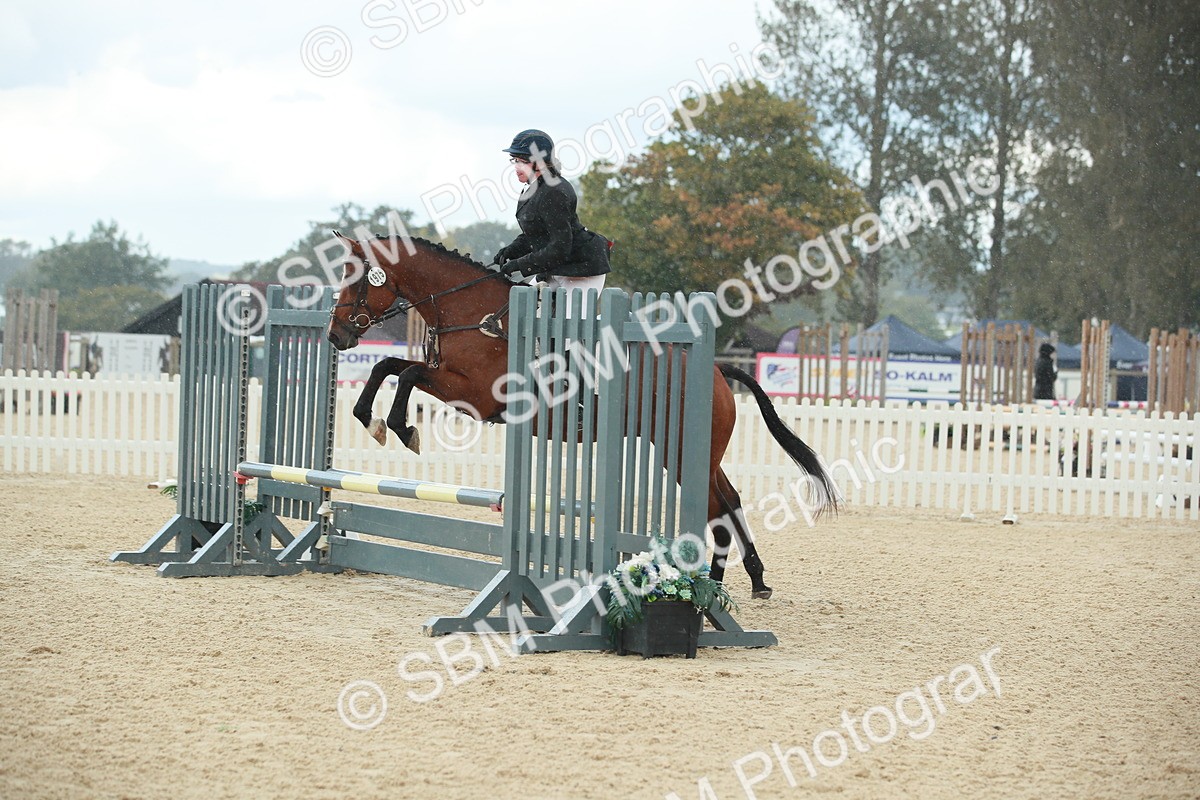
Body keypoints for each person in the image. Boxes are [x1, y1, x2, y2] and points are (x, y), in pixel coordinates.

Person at [492, 129, 611, 313]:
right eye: (515, 160)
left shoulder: (555, 191)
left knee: (568, 332)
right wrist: (512, 251)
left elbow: (560, 247)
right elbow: (536, 233)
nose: (516, 167)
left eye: (522, 161)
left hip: (581, 269)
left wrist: (520, 264)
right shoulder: (533, 188)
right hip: (555, 268)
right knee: (522, 314)